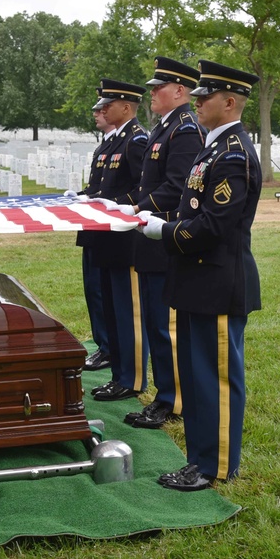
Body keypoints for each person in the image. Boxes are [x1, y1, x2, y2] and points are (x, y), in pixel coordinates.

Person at [138, 59, 262, 491]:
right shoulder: (212, 148)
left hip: (217, 281)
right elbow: (192, 207)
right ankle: (198, 460)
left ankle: (216, 465)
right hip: (194, 278)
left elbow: (213, 225)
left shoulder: (233, 155)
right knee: (194, 375)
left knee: (217, 378)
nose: (197, 101)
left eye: (206, 96)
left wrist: (163, 230)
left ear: (229, 102)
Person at [118, 57, 204, 429]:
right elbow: (151, 181)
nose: (151, 93)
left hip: (163, 235)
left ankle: (173, 400)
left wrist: (137, 207)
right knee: (154, 323)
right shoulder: (165, 127)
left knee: (163, 326)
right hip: (149, 236)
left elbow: (177, 187)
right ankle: (164, 395)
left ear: (180, 92)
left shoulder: (184, 129)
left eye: (159, 87)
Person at [87, 80, 149, 402]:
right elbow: (103, 187)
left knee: (128, 313)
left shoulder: (135, 141)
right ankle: (119, 374)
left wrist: (118, 204)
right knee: (112, 310)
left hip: (126, 240)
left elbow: (144, 188)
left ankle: (133, 378)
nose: (101, 109)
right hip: (107, 237)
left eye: (107, 104)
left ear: (126, 107)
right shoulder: (112, 143)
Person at [71, 91, 117, 372]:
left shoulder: (132, 142)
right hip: (93, 229)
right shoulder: (105, 146)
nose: (96, 114)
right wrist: (76, 197)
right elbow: (96, 188)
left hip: (109, 232)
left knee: (102, 292)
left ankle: (109, 347)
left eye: (102, 110)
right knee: (93, 290)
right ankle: (103, 343)